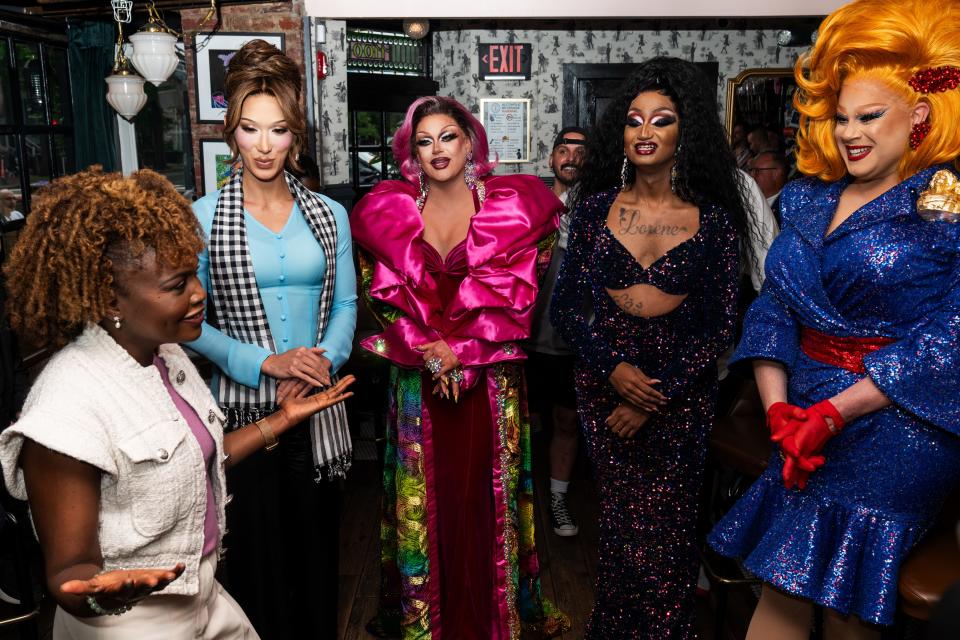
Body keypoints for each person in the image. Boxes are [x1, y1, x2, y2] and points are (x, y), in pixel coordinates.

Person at [0, 167, 354, 639]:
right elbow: (69, 573)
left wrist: (279, 420)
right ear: (111, 301)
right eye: (177, 285)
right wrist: (99, 592)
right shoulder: (66, 406)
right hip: (130, 621)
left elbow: (193, 460)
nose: (199, 294)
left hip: (202, 592)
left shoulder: (166, 356)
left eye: (193, 273)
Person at [708, 1, 960, 638]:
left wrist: (832, 414)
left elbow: (949, 339)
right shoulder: (807, 195)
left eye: (871, 116)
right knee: (783, 586)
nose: (851, 132)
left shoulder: (947, 205)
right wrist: (778, 411)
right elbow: (774, 308)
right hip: (798, 416)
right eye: (842, 116)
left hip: (900, 421)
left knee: (848, 607)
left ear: (921, 115)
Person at [351, 95, 569, 639]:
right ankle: (427, 618)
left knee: (483, 498)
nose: (437, 150)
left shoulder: (512, 207)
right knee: (426, 501)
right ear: (411, 153)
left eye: (447, 137)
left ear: (471, 142)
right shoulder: (388, 210)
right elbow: (380, 302)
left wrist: (462, 351)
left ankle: (490, 620)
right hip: (416, 380)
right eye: (424, 141)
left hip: (490, 383)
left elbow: (522, 303)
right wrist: (430, 350)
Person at [552, 57, 753, 639]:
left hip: (679, 398)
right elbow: (565, 310)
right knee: (619, 529)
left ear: (682, 131)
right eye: (634, 120)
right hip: (603, 392)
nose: (644, 131)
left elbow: (720, 325)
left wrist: (651, 395)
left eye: (660, 120)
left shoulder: (714, 222)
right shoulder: (591, 212)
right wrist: (613, 370)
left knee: (668, 534)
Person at [186, 40, 357, 639]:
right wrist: (265, 362)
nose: (263, 146)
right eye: (250, 129)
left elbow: (345, 303)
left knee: (315, 559)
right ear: (233, 131)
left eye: (278, 130)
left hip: (317, 409)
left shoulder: (328, 214)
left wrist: (318, 363)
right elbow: (189, 325)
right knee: (255, 565)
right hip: (241, 417)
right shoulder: (203, 217)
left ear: (295, 136)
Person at [527, 125, 587, 537]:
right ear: (551, 159)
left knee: (567, 421)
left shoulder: (602, 209)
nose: (571, 159)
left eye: (580, 153)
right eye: (563, 151)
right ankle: (517, 501)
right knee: (521, 421)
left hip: (573, 341)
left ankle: (558, 499)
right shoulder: (530, 205)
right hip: (524, 338)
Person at [749, 150, 789, 224]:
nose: (751, 176)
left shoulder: (788, 208)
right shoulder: (749, 201)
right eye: (751, 170)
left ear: (776, 174)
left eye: (757, 171)